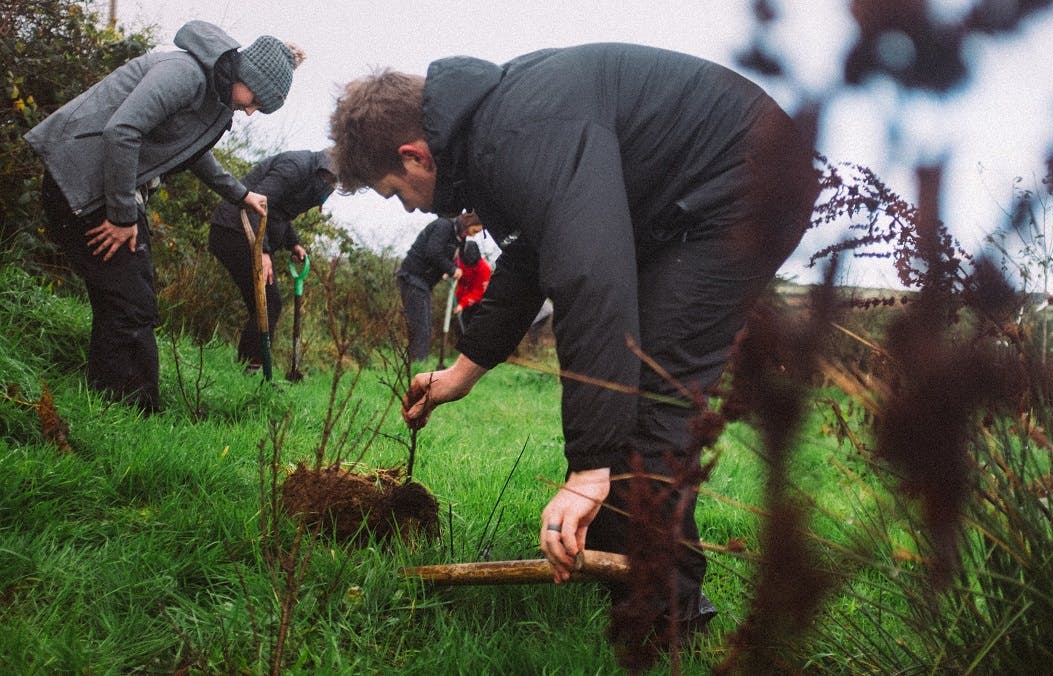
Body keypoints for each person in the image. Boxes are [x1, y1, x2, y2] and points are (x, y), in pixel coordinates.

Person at [329, 44, 813, 638]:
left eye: (392, 191)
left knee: (654, 387)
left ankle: (664, 619)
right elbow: (534, 257)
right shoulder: (495, 130)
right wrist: (464, 370)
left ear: (415, 154)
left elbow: (590, 279)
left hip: (741, 188)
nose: (406, 209)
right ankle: (633, 586)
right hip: (688, 200)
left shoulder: (522, 130)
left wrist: (588, 467)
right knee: (632, 400)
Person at [25, 20, 303, 413]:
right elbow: (122, 131)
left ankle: (109, 405)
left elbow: (193, 152)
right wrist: (123, 217)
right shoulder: (185, 73)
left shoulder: (215, 100)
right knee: (132, 303)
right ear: (250, 75)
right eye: (256, 101)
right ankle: (131, 413)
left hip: (105, 188)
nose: (252, 111)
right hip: (81, 182)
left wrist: (241, 194)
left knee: (124, 299)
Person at [209, 149, 335, 370]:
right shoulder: (295, 168)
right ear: (326, 168)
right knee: (268, 303)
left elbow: (279, 212)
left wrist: (293, 242)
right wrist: (262, 251)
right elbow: (256, 204)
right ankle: (251, 372)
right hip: (233, 229)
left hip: (243, 232)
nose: (333, 186)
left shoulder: (322, 178)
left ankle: (248, 370)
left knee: (264, 305)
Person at [395, 212, 483, 361]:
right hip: (412, 278)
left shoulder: (459, 238)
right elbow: (433, 252)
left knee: (425, 328)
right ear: (469, 221)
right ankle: (417, 367)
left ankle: (415, 366)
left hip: (424, 284)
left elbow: (448, 257)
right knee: (421, 329)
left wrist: (445, 270)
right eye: (475, 231)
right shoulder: (444, 225)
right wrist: (451, 269)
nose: (473, 235)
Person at [454, 239, 492, 330]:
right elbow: (453, 267)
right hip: (460, 296)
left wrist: (462, 304)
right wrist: (449, 271)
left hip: (475, 303)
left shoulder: (484, 269)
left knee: (469, 326)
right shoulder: (460, 260)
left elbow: (478, 292)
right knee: (457, 325)